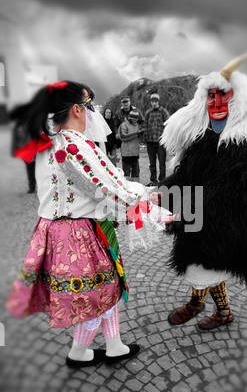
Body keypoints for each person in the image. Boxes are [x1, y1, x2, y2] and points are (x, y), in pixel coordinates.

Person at [7, 80, 172, 368]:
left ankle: (113, 346)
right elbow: (105, 189)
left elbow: (106, 185)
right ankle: (82, 352)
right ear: (76, 109)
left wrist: (142, 196)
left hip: (74, 229)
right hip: (77, 233)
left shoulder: (51, 143)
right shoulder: (70, 145)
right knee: (98, 293)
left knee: (107, 287)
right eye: (89, 106)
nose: (93, 113)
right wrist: (149, 205)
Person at [159, 52, 247, 331]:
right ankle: (209, 307)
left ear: (237, 99)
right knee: (199, 264)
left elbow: (235, 192)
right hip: (197, 216)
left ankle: (212, 309)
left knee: (205, 266)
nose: (217, 102)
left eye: (224, 95)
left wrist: (187, 212)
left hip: (224, 223)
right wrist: (164, 192)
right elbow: (187, 174)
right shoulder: (203, 135)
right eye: (212, 96)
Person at [144, 93, 170, 186]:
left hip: (161, 142)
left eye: (155, 101)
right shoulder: (148, 112)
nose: (154, 103)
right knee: (152, 163)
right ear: (151, 102)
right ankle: (153, 180)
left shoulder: (163, 111)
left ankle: (162, 180)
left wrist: (165, 137)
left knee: (162, 163)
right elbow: (145, 126)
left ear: (158, 102)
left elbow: (168, 123)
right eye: (152, 101)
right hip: (150, 142)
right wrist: (146, 139)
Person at [10, 108, 37, 193]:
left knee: (36, 168)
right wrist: (14, 150)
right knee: (30, 169)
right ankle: (32, 187)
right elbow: (15, 139)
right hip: (25, 150)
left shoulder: (32, 124)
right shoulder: (18, 126)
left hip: (34, 149)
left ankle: (36, 187)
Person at [118, 109, 142, 182]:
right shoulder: (123, 125)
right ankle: (127, 189)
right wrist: (136, 134)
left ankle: (137, 189)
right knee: (126, 174)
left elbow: (139, 137)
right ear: (130, 117)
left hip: (135, 154)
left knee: (136, 173)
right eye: (133, 119)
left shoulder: (138, 125)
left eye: (136, 119)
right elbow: (123, 137)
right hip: (126, 154)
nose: (135, 121)